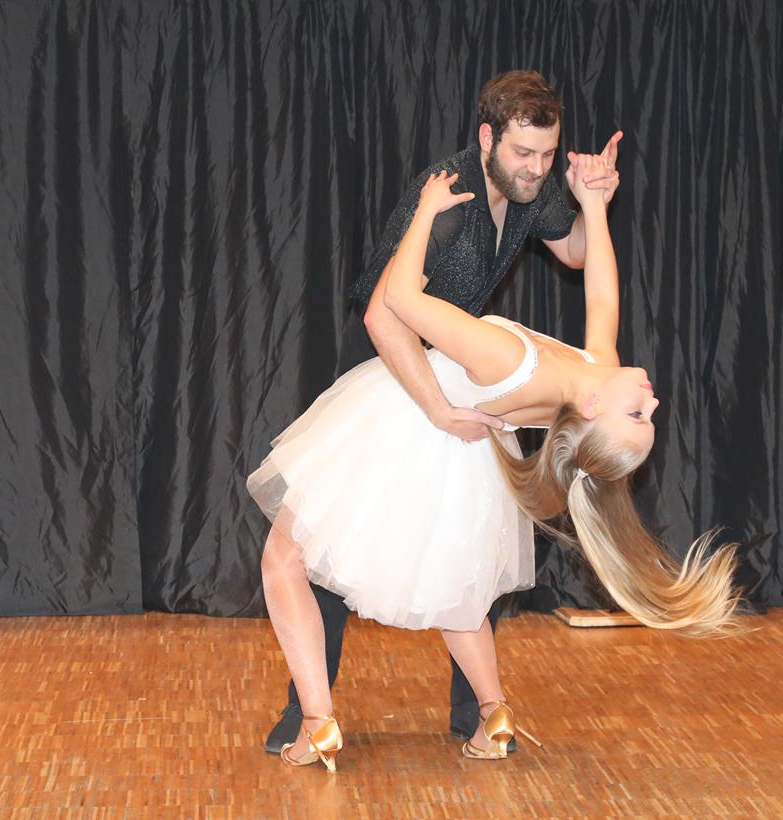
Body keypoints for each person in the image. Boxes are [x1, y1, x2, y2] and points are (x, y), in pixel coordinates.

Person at [249, 155, 740, 771]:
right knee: (457, 592)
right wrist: (592, 205)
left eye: (638, 415)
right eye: (649, 415)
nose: (654, 401)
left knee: (283, 561)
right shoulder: (594, 374)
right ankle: (493, 715)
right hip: (464, 451)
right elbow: (602, 292)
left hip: (413, 425)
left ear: (593, 412)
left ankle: (316, 723)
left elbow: (397, 300)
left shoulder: (508, 358)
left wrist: (425, 213)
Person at [266, 70, 625, 753]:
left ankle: (444, 717)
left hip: (461, 383)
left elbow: (577, 252)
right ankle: (313, 712)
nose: (536, 168)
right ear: (487, 138)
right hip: (401, 375)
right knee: (327, 550)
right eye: (523, 153)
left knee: (459, 553)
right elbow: (383, 315)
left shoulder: (527, 189)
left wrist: (593, 197)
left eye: (548, 154)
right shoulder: (450, 202)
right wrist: (434, 408)